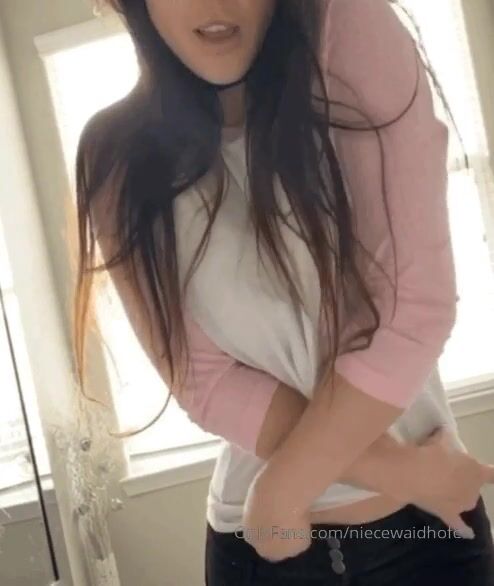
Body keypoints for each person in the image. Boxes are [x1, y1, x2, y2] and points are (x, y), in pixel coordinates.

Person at [73, 0, 494, 584]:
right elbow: (203, 380)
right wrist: (399, 470)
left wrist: (280, 493)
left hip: (424, 537)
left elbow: (413, 308)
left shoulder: (350, 46)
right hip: (266, 552)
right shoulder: (115, 154)